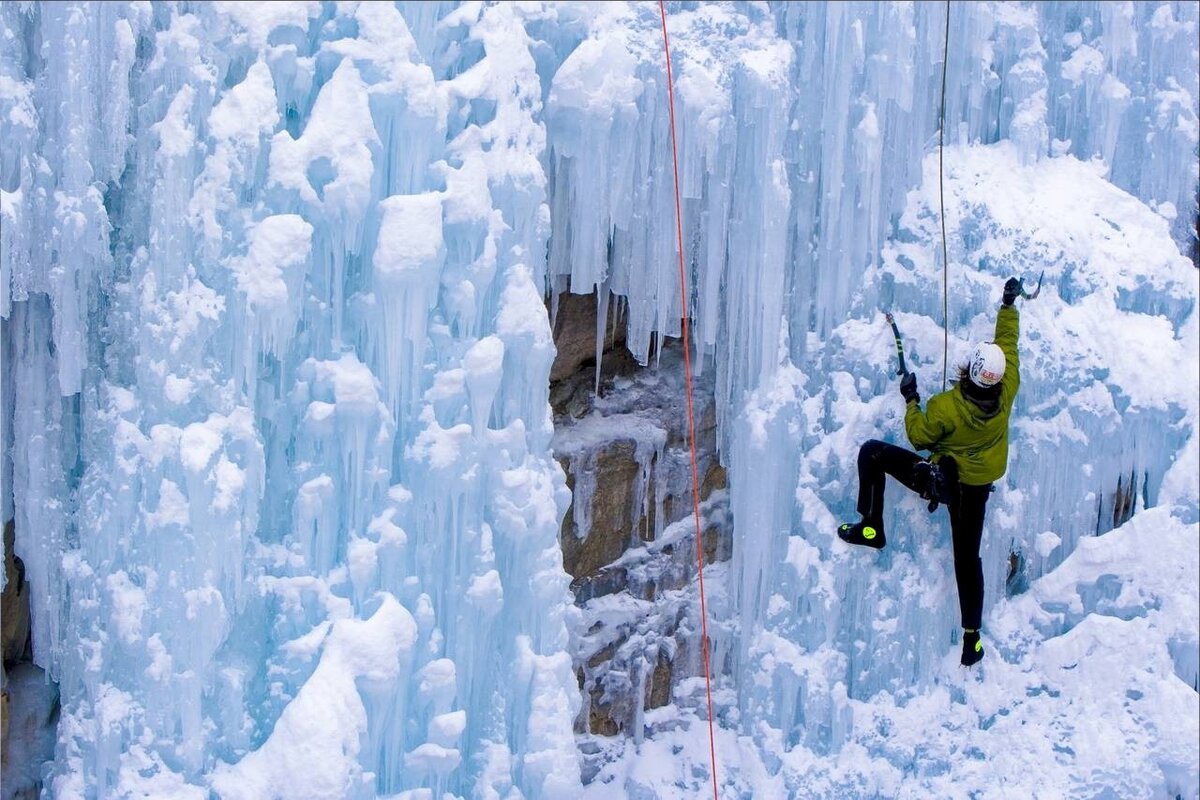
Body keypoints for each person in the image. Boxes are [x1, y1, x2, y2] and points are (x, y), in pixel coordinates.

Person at [838, 276, 1023, 667]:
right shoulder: (1007, 392)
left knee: (872, 453)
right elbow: (1009, 345)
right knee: (967, 559)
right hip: (976, 490)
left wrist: (911, 399)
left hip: (942, 481)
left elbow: (919, 436)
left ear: (970, 370)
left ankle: (871, 526)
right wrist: (1008, 305)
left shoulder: (947, 407)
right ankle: (972, 639)